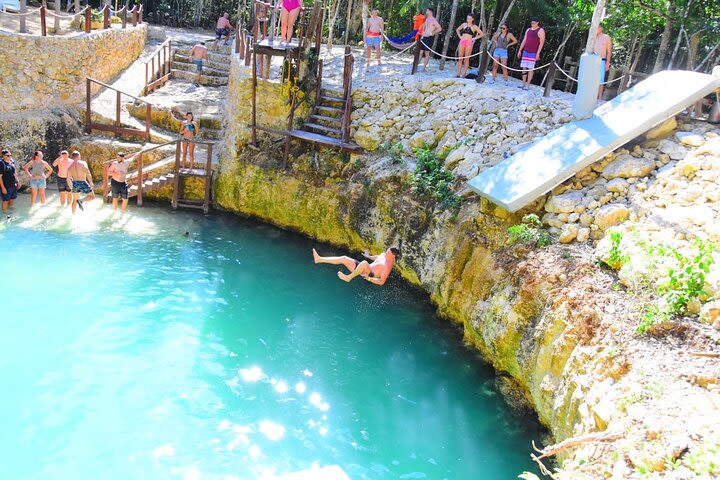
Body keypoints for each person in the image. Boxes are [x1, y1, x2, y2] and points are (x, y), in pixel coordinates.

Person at [312, 247, 400, 286]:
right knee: (344, 258)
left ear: (393, 256)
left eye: (388, 253)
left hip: (369, 274)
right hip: (363, 268)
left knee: (364, 263)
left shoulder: (388, 266)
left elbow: (381, 282)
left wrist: (369, 279)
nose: (386, 253)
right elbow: (378, 257)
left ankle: (348, 278)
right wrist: (368, 256)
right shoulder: (385, 254)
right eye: (387, 251)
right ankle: (319, 259)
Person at [517, 17, 545, 89]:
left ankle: (528, 84)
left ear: (537, 23)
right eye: (531, 23)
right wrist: (520, 50)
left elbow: (541, 43)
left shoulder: (541, 30)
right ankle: (523, 83)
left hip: (533, 52)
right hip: (525, 51)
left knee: (530, 69)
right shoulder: (528, 30)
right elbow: (524, 40)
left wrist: (538, 53)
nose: (532, 24)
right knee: (524, 68)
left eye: (533, 23)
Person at [455, 14, 483, 78]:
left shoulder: (474, 26)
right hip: (462, 41)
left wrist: (473, 39)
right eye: (467, 18)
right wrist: (460, 36)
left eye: (470, 19)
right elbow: (457, 29)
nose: (468, 20)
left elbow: (482, 34)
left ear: (473, 19)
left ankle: (464, 73)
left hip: (469, 42)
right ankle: (458, 73)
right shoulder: (464, 24)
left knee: (466, 59)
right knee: (460, 58)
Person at [595, 23, 612, 101]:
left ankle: (600, 98)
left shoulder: (606, 37)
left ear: (601, 28)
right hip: (592, 61)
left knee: (600, 80)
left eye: (598, 27)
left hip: (602, 60)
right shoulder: (593, 37)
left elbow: (609, 52)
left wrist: (607, 63)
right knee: (591, 79)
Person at [0, 149, 20, 216]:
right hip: (6, 186)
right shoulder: (1, 163)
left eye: (10, 155)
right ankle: (4, 213)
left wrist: (18, 181)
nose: (10, 157)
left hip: (13, 184)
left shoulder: (11, 161)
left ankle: (10, 209)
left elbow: (14, 172)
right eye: (8, 155)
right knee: (5, 200)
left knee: (12, 198)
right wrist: (3, 188)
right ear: (3, 156)